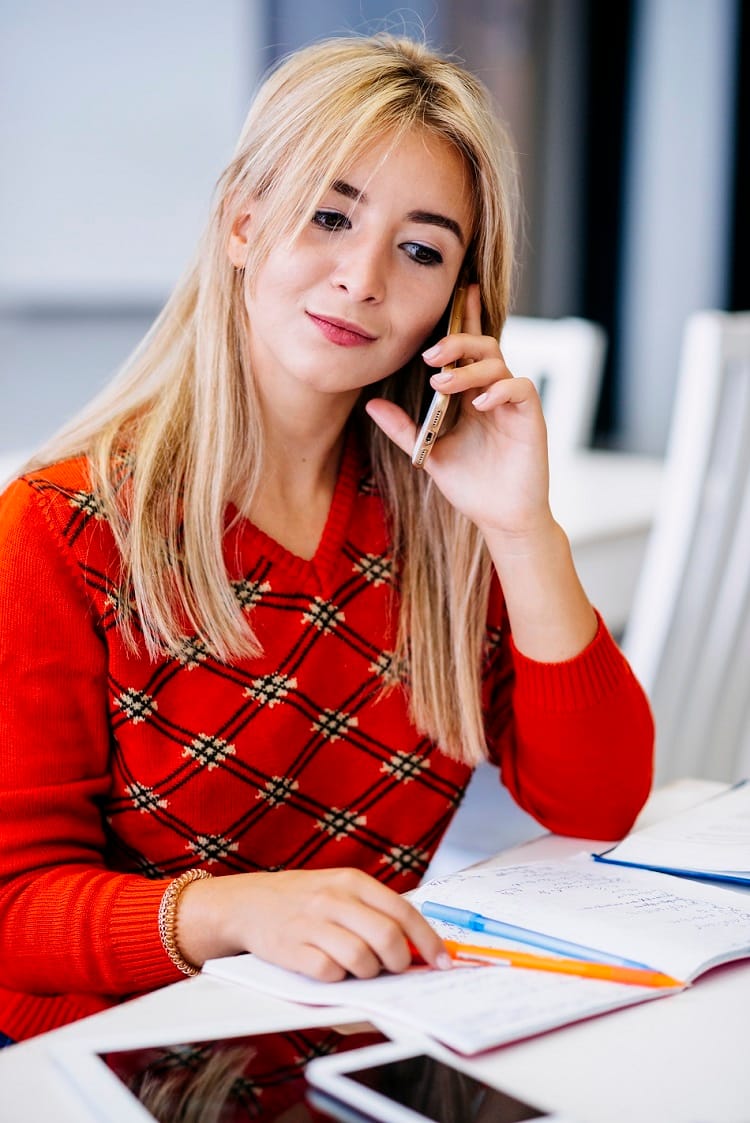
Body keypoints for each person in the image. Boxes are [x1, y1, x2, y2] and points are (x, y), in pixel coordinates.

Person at [0, 33, 654, 1045]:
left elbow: (598, 806)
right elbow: (12, 910)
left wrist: (523, 528)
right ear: (244, 223)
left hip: (328, 1040)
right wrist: (236, 911)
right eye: (330, 216)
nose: (362, 278)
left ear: (459, 303)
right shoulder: (57, 525)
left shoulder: (443, 521)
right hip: (99, 1053)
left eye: (422, 248)